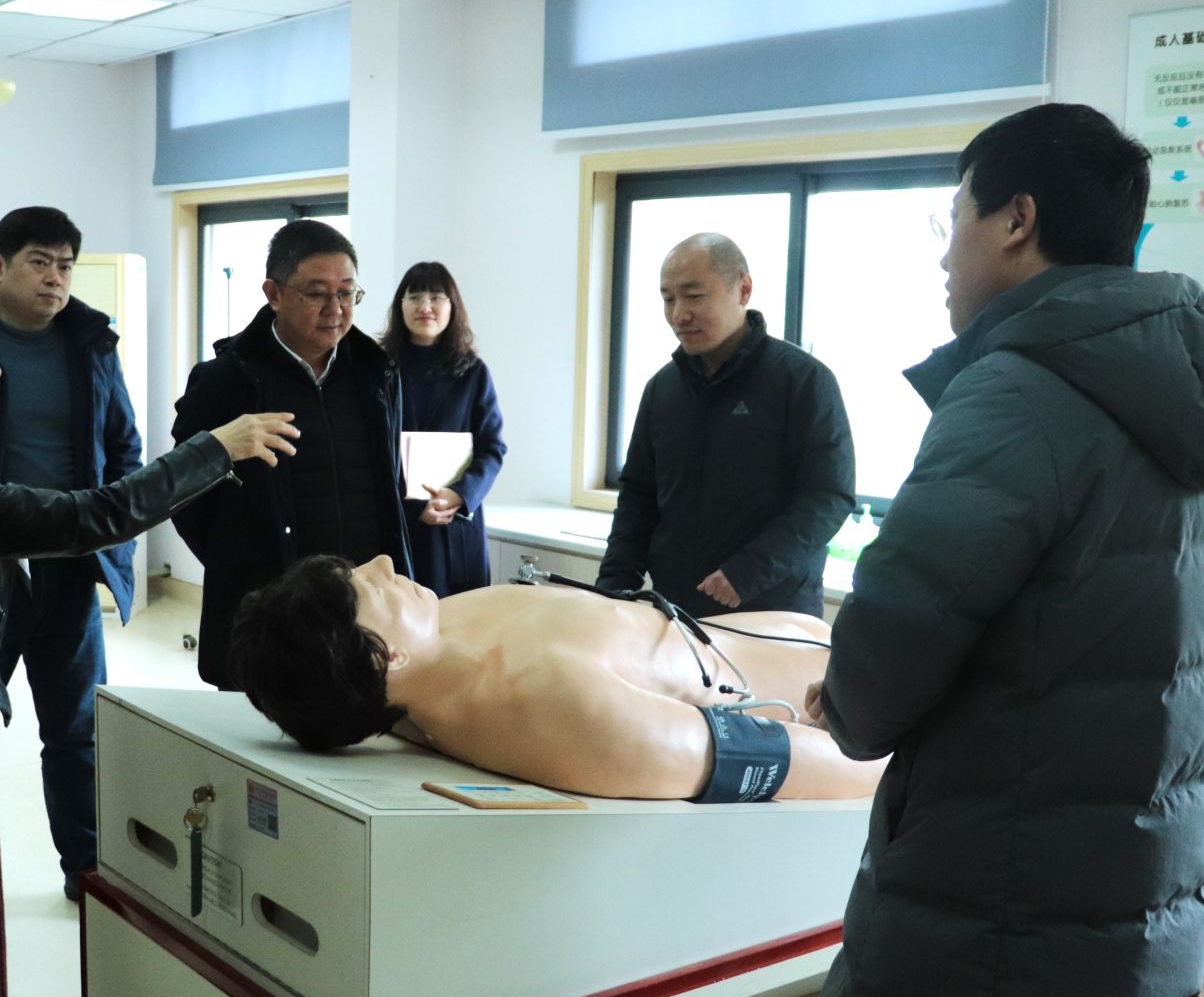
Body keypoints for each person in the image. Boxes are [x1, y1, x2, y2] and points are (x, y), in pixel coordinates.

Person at [801, 103, 1204, 997]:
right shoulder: (1203, 395)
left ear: (1015, 220)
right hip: (1130, 944)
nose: (943, 255)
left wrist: (843, 700)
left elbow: (899, 631)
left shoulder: (1018, 388)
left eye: (953, 217)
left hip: (996, 950)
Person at [0, 287, 298, 997]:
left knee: (76, 733)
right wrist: (215, 447)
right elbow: (96, 513)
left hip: (29, 608)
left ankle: (80, 866)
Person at [231, 554, 883, 803]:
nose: (381, 561)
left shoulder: (433, 640)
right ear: (383, 657)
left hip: (802, 641)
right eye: (368, 587)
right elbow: (767, 761)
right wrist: (905, 758)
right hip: (849, 699)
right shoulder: (545, 706)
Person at [0, 206, 140, 904]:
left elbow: (124, 446)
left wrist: (110, 538)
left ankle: (85, 872)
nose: (55, 277)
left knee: (78, 731)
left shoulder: (91, 342)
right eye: (39, 261)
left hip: (69, 562)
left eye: (65, 265)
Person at [171, 219, 413, 689]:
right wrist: (238, 563)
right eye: (317, 293)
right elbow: (183, 493)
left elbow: (389, 483)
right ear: (274, 294)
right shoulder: (227, 381)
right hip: (269, 613)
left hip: (365, 609)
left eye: (347, 293)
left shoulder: (377, 375)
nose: (335, 309)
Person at [598, 233, 856, 620]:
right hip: (675, 611)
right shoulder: (662, 389)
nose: (678, 315)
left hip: (771, 613)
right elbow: (638, 497)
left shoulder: (802, 379)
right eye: (668, 299)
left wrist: (748, 572)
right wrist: (612, 589)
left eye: (694, 296)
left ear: (744, 289)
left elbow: (828, 496)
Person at [379, 263, 507, 597]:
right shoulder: (378, 370)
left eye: (436, 297)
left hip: (455, 524)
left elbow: (492, 448)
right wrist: (413, 508)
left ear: (453, 307)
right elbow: (367, 449)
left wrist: (460, 495)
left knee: (460, 619)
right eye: (414, 297)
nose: (425, 306)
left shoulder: (473, 372)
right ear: (400, 306)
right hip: (396, 524)